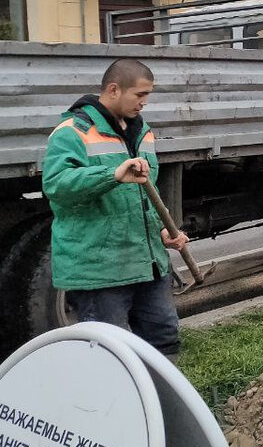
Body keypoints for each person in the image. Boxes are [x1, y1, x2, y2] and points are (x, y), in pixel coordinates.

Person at [43, 59, 189, 358]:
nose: (144, 103)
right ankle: (113, 405)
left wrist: (161, 230)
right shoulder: (72, 132)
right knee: (111, 354)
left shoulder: (144, 133)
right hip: (101, 270)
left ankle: (160, 403)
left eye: (148, 95)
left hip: (147, 264)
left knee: (164, 338)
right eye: (140, 95)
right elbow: (57, 185)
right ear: (113, 89)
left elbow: (145, 195)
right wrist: (111, 175)